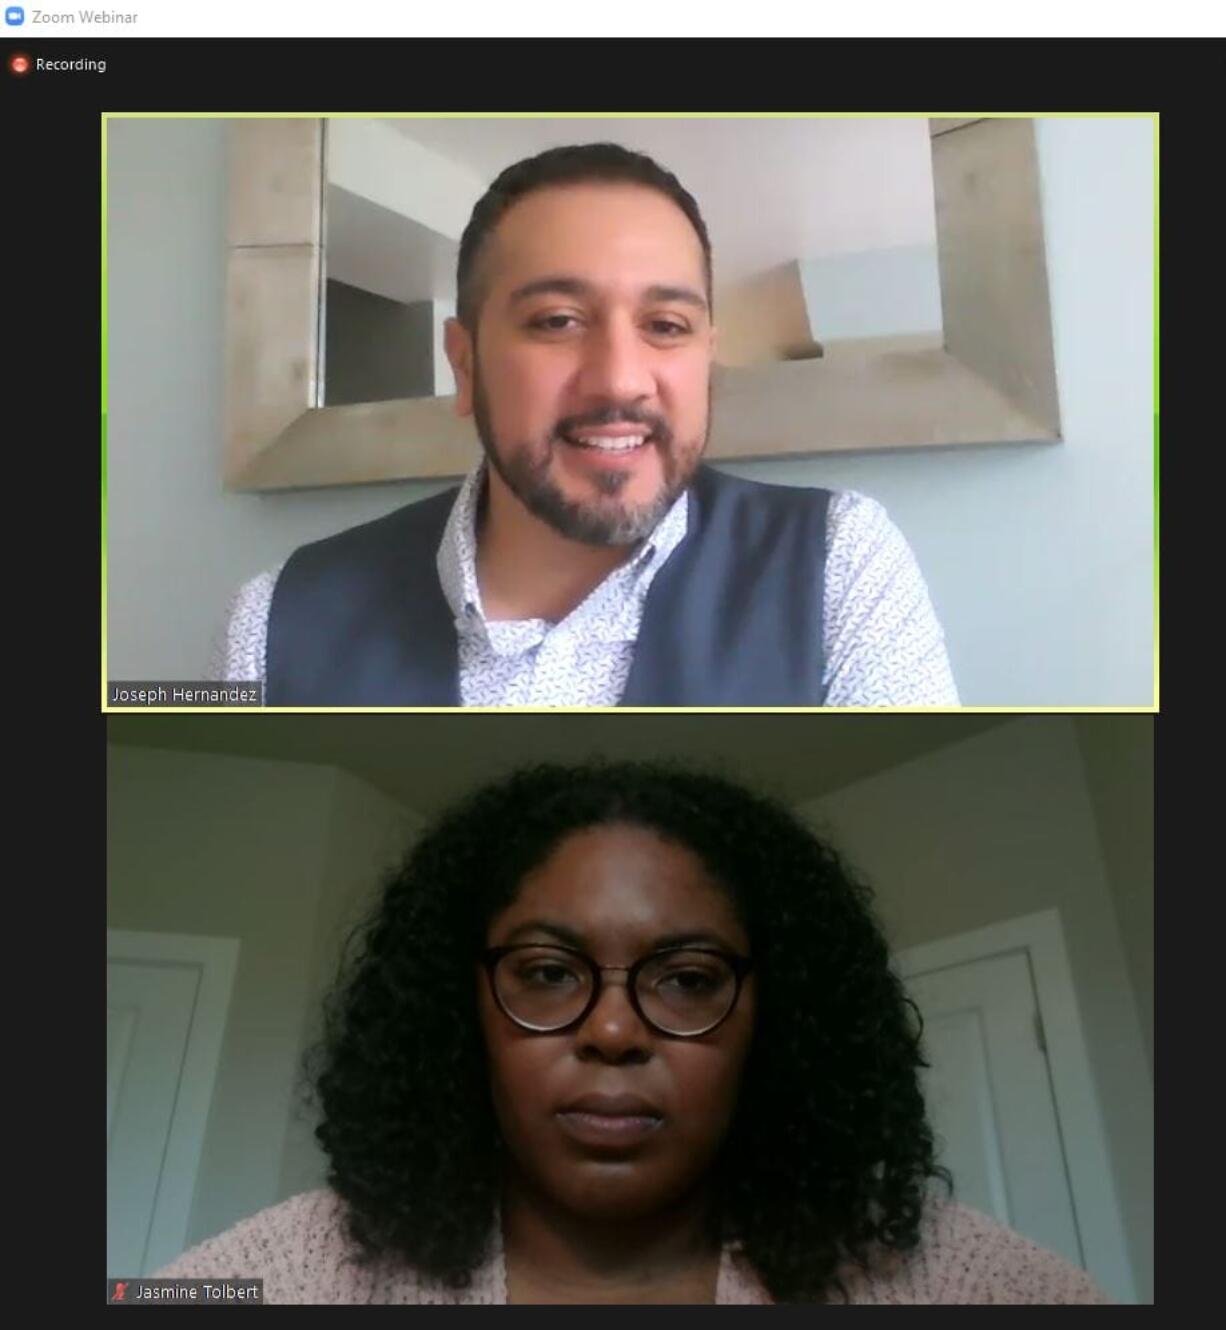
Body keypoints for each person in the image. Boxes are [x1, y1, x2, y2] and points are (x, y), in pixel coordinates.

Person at [155, 762, 1101, 1304]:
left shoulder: (955, 1280)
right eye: (547, 973)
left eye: (687, 980)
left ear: (779, 1021)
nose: (612, 1030)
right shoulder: (291, 1274)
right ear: (462, 1010)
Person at [211, 143, 959, 707]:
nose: (620, 380)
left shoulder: (840, 564)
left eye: (666, 325)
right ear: (465, 363)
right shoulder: (274, 620)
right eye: (558, 321)